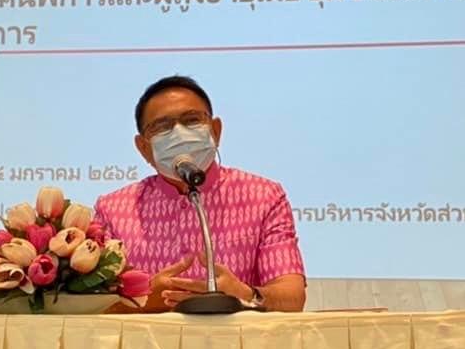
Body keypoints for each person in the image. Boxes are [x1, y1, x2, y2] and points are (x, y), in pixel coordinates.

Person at [94, 75, 306, 312]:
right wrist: (143, 302)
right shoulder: (113, 210)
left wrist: (244, 294)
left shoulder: (264, 197)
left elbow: (292, 299)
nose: (179, 134)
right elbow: (93, 310)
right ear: (143, 147)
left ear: (215, 131)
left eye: (192, 120)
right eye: (162, 127)